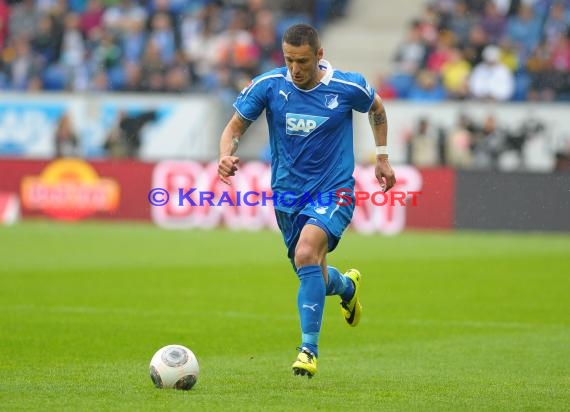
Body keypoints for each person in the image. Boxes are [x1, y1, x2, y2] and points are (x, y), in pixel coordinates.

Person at [217, 24, 396, 378]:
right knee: (310, 270)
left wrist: (382, 156)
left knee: (305, 252)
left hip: (334, 191)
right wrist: (225, 154)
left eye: (302, 61)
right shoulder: (269, 85)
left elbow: (376, 107)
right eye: (289, 60)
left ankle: (308, 351)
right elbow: (234, 127)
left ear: (319, 55)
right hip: (286, 196)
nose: (295, 69)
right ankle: (346, 286)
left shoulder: (347, 87)